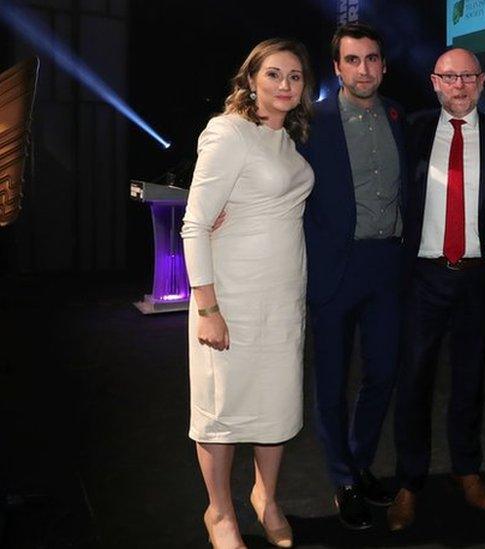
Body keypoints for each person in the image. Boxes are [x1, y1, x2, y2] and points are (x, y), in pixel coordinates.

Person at [181, 38, 315, 549]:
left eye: (295, 77)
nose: (285, 85)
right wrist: (208, 308)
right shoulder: (228, 132)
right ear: (251, 80)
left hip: (282, 301)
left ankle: (266, 497)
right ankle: (219, 513)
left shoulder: (287, 141)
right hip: (230, 301)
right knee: (222, 411)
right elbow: (194, 224)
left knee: (275, 406)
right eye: (274, 74)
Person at [386, 47, 485, 531]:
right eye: (448, 77)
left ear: (482, 81)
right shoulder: (410, 130)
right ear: (434, 82)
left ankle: (466, 469)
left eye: (467, 77)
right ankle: (410, 482)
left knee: (471, 381)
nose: (458, 85)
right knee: (413, 380)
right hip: (423, 276)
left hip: (479, 277)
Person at [302, 22, 407, 531]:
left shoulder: (396, 116)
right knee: (331, 382)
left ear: (383, 66)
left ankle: (360, 461)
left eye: (371, 59)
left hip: (387, 266)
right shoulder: (310, 123)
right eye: (352, 60)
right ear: (337, 67)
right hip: (333, 271)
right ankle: (342, 477)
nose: (363, 68)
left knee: (383, 372)